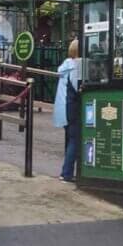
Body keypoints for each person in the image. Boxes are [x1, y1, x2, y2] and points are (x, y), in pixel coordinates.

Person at [54, 40, 81, 182]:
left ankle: (67, 172)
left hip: (63, 107)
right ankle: (66, 173)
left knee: (70, 138)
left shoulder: (66, 65)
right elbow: (78, 88)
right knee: (75, 140)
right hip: (72, 107)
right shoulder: (76, 66)